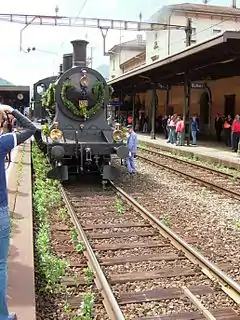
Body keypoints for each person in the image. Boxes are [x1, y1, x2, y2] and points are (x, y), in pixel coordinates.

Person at [0, 104, 36, 320]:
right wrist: (12, 110)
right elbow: (31, 129)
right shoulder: (3, 142)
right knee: (0, 265)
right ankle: (2, 315)